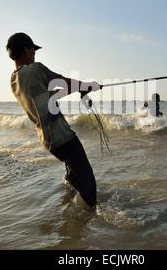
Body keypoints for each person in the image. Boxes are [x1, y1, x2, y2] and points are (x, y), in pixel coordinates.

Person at [7, 32, 100, 208]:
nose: (34, 54)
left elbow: (52, 94)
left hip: (48, 140)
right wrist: (85, 86)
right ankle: (88, 214)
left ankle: (68, 203)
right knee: (87, 179)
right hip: (62, 135)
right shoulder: (35, 69)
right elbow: (62, 81)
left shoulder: (14, 80)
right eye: (33, 49)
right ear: (26, 50)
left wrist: (80, 88)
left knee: (72, 170)